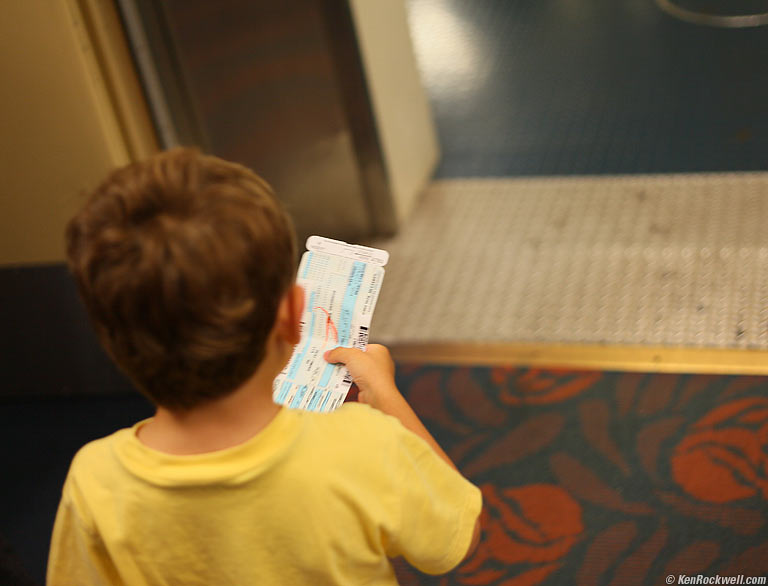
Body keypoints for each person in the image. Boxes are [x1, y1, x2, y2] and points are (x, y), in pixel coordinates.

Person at [47, 148, 481, 585]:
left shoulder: (94, 481)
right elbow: (456, 536)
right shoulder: (365, 447)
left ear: (111, 340)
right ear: (295, 315)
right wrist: (386, 396)